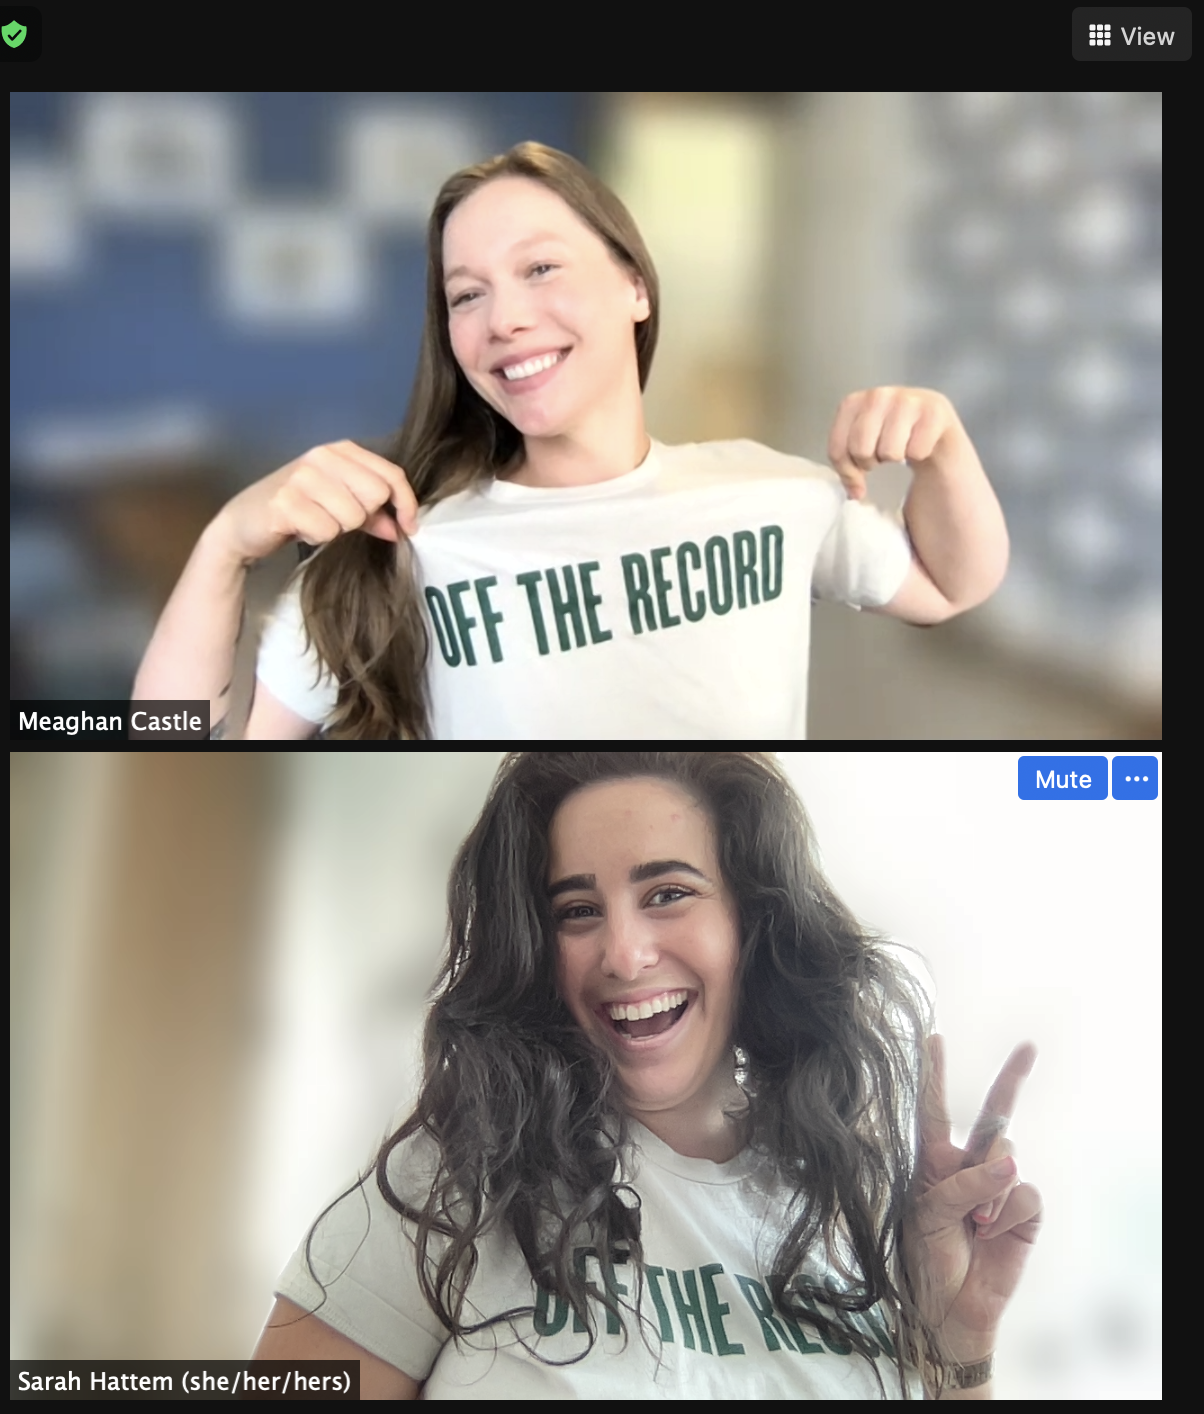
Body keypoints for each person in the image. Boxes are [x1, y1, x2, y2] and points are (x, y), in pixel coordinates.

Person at [132, 142, 1009, 741]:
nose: (505, 318)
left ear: (635, 284)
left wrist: (945, 448)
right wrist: (222, 547)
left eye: (540, 268)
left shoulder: (772, 493)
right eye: (466, 295)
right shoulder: (388, 554)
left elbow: (948, 582)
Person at [252, 752, 1041, 1398]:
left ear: (752, 923)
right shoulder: (452, 1184)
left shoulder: (848, 1206)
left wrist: (960, 1346)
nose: (624, 955)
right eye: (576, 911)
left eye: (668, 894)